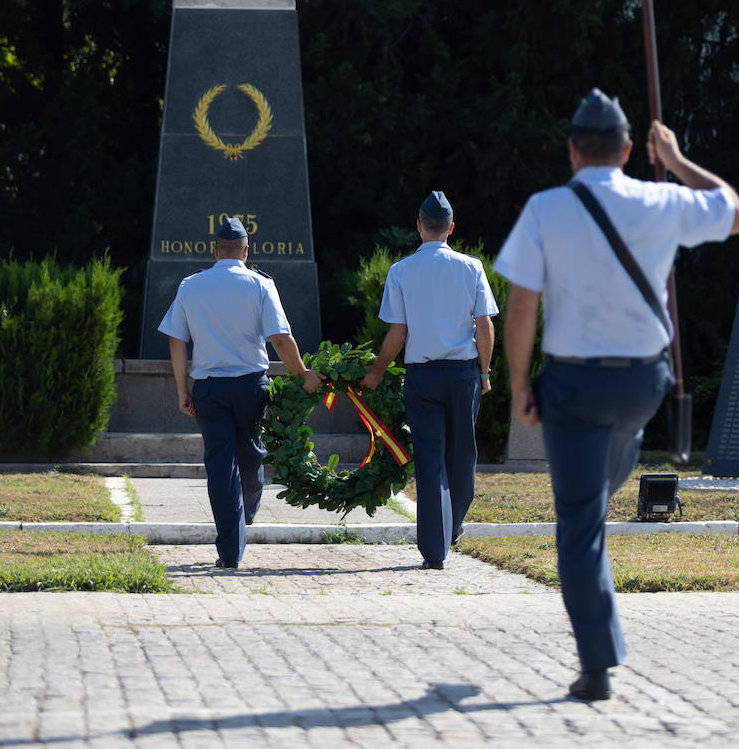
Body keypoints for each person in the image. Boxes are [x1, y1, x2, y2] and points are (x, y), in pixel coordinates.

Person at [496, 88, 739, 701]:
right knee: (612, 459)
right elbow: (737, 213)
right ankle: (607, 474)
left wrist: (518, 385)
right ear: (631, 150)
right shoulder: (661, 199)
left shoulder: (546, 208)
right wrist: (680, 158)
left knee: (579, 523)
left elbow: (523, 302)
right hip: (643, 383)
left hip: (576, 384)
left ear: (572, 151)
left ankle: (597, 666)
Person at [158, 215, 321, 569]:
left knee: (220, 465)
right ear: (247, 251)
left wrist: (182, 389)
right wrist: (303, 373)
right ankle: (242, 519)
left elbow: (176, 339)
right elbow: (280, 338)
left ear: (215, 250)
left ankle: (231, 541)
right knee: (249, 455)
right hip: (250, 387)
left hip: (209, 389)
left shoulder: (191, 286)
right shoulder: (260, 285)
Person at [360, 191, 499, 570]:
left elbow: (397, 333)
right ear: (451, 228)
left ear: (418, 227)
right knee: (463, 457)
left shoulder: (401, 271)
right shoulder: (471, 267)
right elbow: (484, 325)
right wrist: (484, 373)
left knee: (429, 460)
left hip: (421, 377)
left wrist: (376, 371)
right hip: (463, 374)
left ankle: (434, 550)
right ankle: (452, 526)